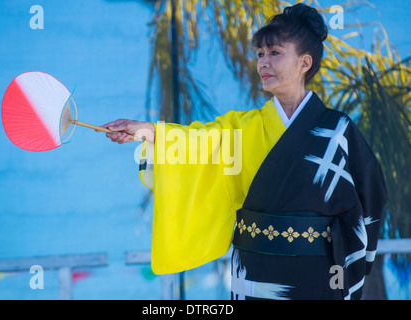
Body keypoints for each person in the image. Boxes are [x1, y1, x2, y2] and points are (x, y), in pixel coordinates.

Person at [99, 3, 387, 300]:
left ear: (304, 63)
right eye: (260, 54)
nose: (263, 62)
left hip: (318, 270)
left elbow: (370, 195)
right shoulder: (242, 129)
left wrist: (349, 260)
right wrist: (145, 130)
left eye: (275, 53)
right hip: (254, 271)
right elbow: (195, 142)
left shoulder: (337, 131)